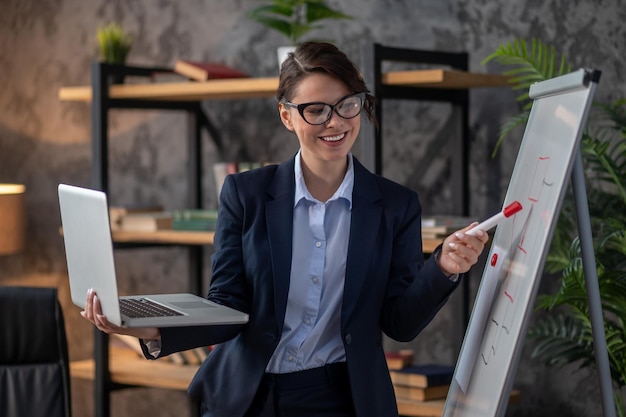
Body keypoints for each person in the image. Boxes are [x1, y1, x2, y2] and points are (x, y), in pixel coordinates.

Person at [81, 41, 488, 417]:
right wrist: (149, 328)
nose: (335, 122)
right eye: (316, 109)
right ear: (286, 116)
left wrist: (444, 268)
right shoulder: (246, 194)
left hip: (341, 397)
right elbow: (227, 304)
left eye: (347, 105)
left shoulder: (396, 205)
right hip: (249, 397)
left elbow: (399, 322)